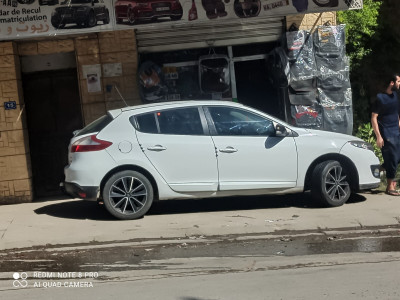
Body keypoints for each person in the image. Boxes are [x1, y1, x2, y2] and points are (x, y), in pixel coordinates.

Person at [371, 73, 400, 196]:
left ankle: (379, 168)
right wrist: (378, 136)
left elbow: (396, 113)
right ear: (391, 83)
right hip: (387, 132)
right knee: (392, 159)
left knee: (397, 158)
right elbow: (374, 118)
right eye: (398, 81)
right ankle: (389, 187)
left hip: (396, 131)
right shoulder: (380, 98)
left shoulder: (395, 96)